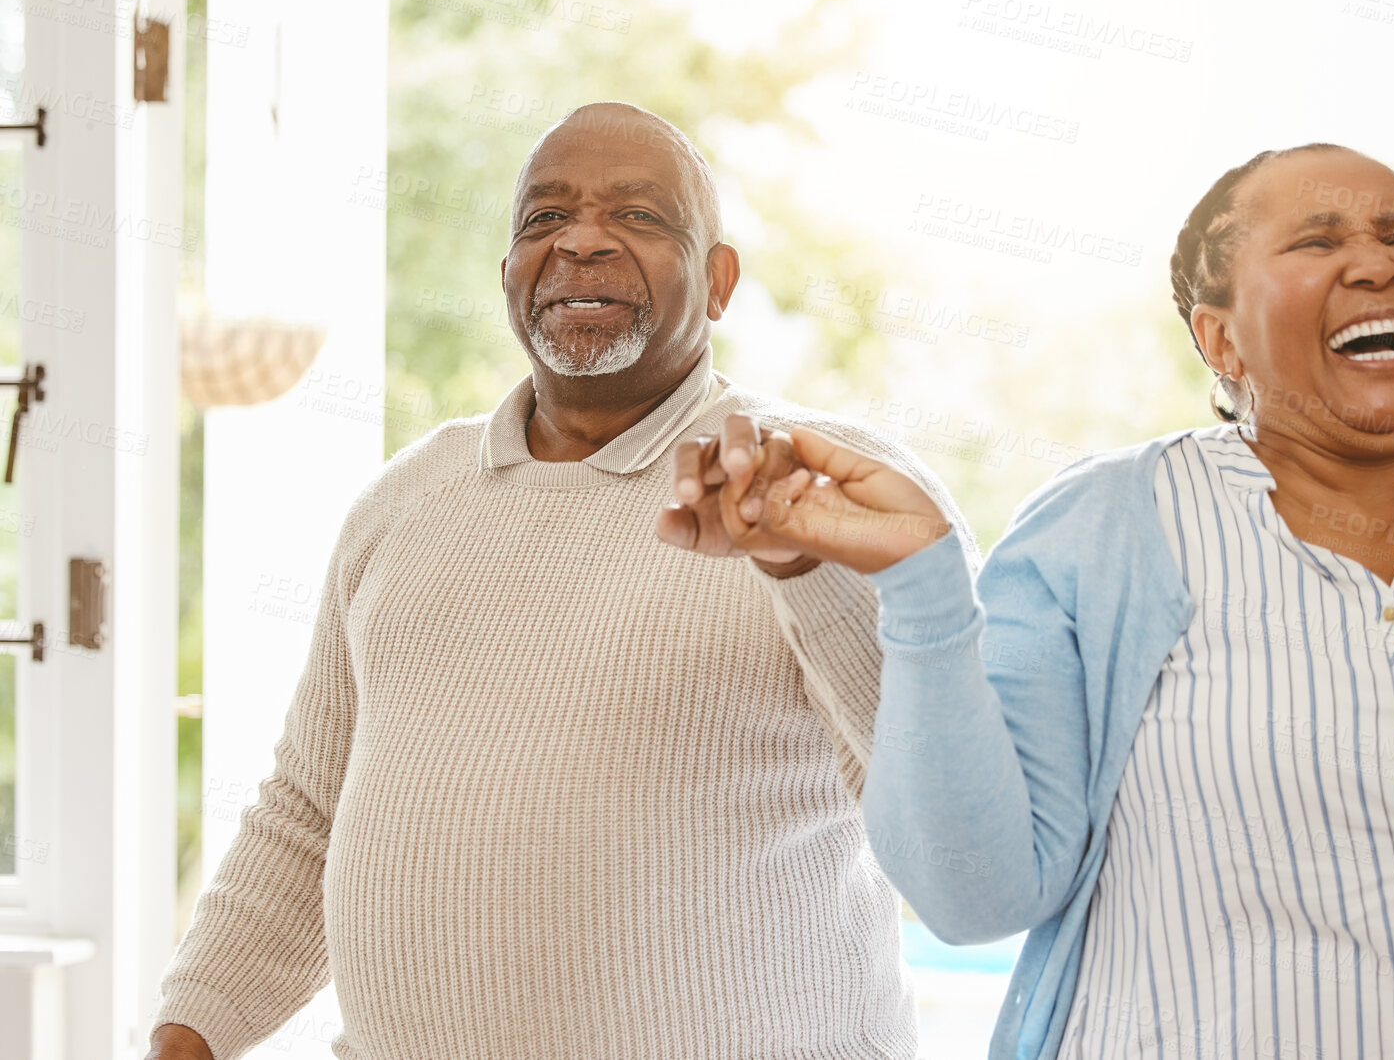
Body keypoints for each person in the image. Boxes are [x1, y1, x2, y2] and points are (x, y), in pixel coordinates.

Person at [674, 144, 1394, 1059]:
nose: (1375, 261)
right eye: (1318, 242)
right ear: (1221, 341)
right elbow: (974, 893)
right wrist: (920, 591)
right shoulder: (1101, 530)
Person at [144, 102, 973, 1060]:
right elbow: (307, 813)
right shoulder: (404, 500)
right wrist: (186, 1034)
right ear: (507, 276)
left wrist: (799, 565)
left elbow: (947, 818)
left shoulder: (819, 484)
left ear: (718, 282)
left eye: (637, 216)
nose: (581, 240)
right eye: (544, 219)